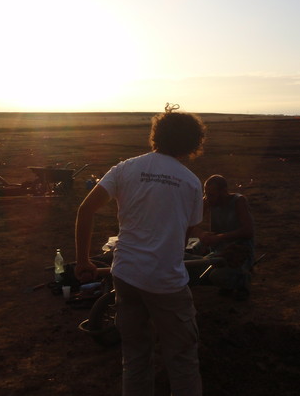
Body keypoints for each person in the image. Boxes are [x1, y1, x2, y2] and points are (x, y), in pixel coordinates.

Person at [74, 104, 206, 396]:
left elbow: (86, 210)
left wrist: (83, 260)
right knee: (182, 360)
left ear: (156, 135)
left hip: (126, 277)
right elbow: (187, 235)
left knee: (134, 358)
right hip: (167, 284)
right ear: (193, 142)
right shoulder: (192, 184)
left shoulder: (125, 168)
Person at [194, 174, 255, 301]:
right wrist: (201, 234)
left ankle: (243, 280)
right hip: (219, 251)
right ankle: (229, 280)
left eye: (211, 194)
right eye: (206, 193)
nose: (207, 197)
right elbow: (190, 224)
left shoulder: (238, 201)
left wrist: (219, 238)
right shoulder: (209, 201)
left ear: (223, 192)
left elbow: (248, 231)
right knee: (197, 273)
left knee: (216, 275)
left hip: (239, 250)